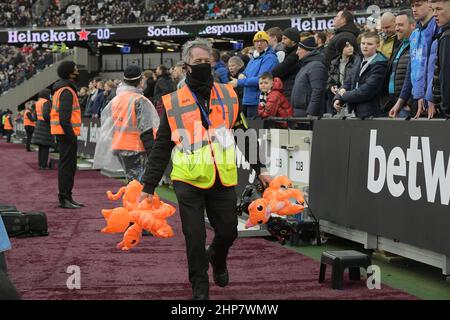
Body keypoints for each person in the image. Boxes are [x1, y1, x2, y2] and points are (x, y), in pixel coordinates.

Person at [139, 38, 271, 300]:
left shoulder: (228, 94)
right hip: (187, 179)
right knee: (194, 237)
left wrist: (261, 168)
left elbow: (243, 133)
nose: (202, 66)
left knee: (228, 232)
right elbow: (162, 146)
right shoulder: (172, 102)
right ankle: (200, 287)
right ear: (186, 66)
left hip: (222, 177)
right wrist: (148, 186)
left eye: (206, 62)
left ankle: (217, 258)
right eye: (197, 62)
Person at [96, 65, 160, 183]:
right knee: (138, 186)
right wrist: (153, 154)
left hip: (119, 146)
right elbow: (146, 130)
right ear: (140, 81)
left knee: (132, 182)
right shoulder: (139, 100)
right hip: (136, 147)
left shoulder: (117, 99)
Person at [50, 60, 83, 209]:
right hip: (66, 134)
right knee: (67, 167)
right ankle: (64, 198)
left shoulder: (61, 89)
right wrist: (72, 138)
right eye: (75, 68)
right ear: (70, 72)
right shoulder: (67, 91)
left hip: (63, 134)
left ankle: (67, 197)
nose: (78, 70)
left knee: (68, 167)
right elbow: (64, 119)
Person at [333, 32, 388, 118]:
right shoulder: (358, 59)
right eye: (363, 43)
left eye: (369, 44)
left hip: (372, 112)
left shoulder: (381, 63)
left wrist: (344, 95)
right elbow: (348, 82)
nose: (365, 46)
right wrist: (338, 98)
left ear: (377, 45)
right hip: (356, 111)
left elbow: (366, 91)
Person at [230, 31, 279, 118]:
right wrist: (242, 74)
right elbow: (246, 72)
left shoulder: (270, 58)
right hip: (248, 100)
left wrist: (239, 82)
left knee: (256, 130)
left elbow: (261, 79)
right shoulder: (254, 58)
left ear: (267, 43)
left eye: (262, 41)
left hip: (259, 102)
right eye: (256, 41)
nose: (259, 44)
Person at [386, 11, 416, 118]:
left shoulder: (416, 46)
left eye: (401, 25)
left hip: (406, 106)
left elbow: (416, 76)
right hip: (394, 103)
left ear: (413, 25)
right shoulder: (400, 45)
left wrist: (409, 102)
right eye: (396, 25)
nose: (397, 28)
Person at [291, 37, 328, 117]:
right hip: (299, 112)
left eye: (299, 49)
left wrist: (311, 113)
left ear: (307, 50)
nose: (297, 52)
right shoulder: (305, 65)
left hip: (307, 114)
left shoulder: (316, 66)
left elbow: (317, 91)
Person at [327, 37, 361, 116]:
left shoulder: (357, 61)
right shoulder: (334, 62)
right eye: (346, 46)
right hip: (336, 99)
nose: (350, 48)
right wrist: (331, 87)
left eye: (351, 46)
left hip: (350, 98)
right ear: (340, 48)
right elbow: (330, 80)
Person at [431, 0, 450, 118]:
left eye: (438, 9)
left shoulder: (447, 37)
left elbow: (446, 77)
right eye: (433, 10)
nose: (434, 14)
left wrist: (446, 109)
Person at [271, 27, 301, 101]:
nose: (282, 41)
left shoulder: (295, 54)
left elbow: (278, 71)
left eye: (285, 38)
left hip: (291, 91)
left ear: (293, 41)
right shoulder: (289, 52)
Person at [31, 88, 54, 169]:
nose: (51, 96)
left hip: (39, 124)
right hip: (45, 126)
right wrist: (51, 120)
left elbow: (35, 116)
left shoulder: (38, 102)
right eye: (50, 94)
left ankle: (41, 163)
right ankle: (44, 165)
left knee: (41, 147)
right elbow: (46, 115)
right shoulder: (46, 102)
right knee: (45, 147)